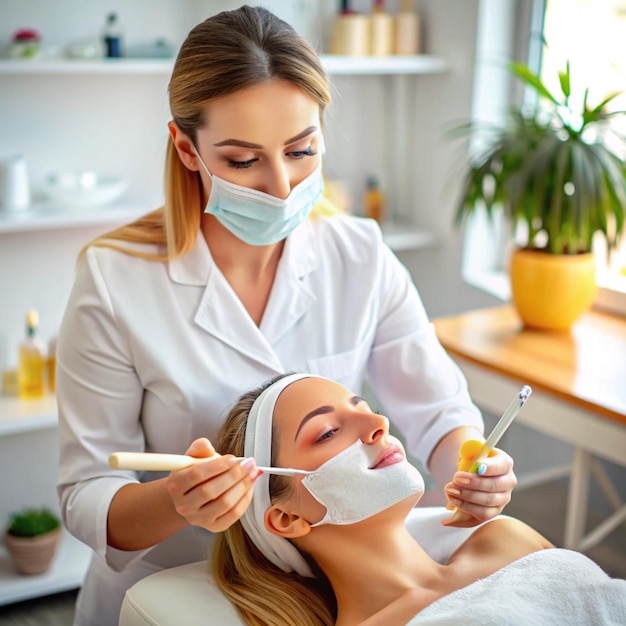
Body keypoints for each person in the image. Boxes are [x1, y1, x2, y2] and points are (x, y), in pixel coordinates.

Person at [56, 6, 517, 626]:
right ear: (186, 149)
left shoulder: (359, 255)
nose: (280, 186)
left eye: (301, 150)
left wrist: (471, 463)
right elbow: (87, 494)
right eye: (243, 161)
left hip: (333, 585)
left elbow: (438, 415)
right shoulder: (116, 280)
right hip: (181, 590)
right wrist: (177, 503)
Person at [212, 372, 626, 626]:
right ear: (286, 519)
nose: (378, 423)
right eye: (327, 432)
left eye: (365, 407)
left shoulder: (504, 538)